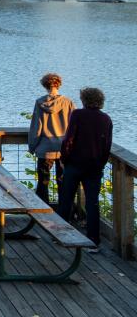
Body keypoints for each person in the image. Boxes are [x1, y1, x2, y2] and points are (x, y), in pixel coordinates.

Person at [58, 87, 113, 251]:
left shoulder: (78, 115)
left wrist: (63, 159)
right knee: (92, 203)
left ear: (84, 100)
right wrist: (101, 164)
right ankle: (93, 241)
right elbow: (106, 146)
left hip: (74, 164)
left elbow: (69, 140)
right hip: (94, 167)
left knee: (66, 199)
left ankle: (61, 235)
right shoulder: (106, 119)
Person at [28, 72, 75, 206]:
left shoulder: (40, 102)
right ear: (58, 84)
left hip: (45, 148)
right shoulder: (68, 102)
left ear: (45, 85)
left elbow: (36, 127)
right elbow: (74, 125)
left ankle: (43, 211)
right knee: (63, 181)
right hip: (64, 149)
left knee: (43, 181)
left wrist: (32, 146)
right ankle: (65, 211)